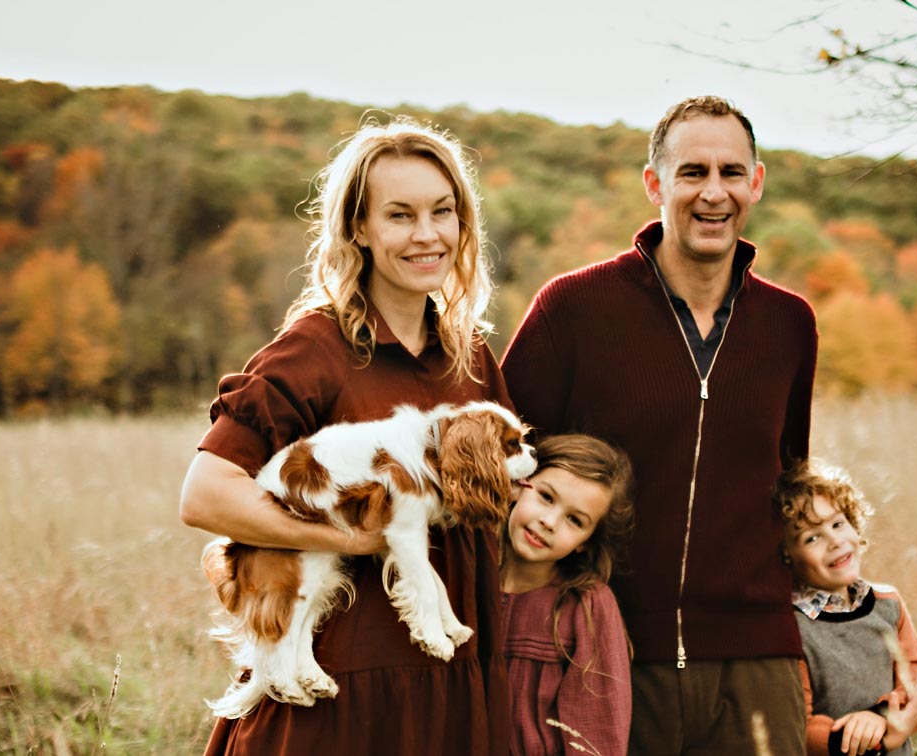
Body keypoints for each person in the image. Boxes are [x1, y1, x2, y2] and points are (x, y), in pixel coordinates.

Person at [179, 119, 511, 755]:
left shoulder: (470, 357)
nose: (427, 234)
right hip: (341, 694)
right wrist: (353, 537)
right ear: (359, 228)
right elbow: (206, 497)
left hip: (456, 685)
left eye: (443, 212)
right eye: (400, 215)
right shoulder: (313, 350)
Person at [504, 95, 818, 755]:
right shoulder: (574, 308)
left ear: (756, 182)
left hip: (757, 659)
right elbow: (504, 464)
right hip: (606, 653)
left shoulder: (789, 325)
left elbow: (790, 477)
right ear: (655, 184)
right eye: (692, 172)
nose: (713, 193)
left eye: (731, 172)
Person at [775, 461, 917, 756]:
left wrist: (882, 717)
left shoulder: (888, 604)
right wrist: (871, 743)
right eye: (812, 538)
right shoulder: (792, 627)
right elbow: (799, 724)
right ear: (787, 555)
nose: (835, 542)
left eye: (838, 524)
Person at [497, 433, 640, 756]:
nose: (549, 522)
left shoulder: (587, 606)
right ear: (519, 484)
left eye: (574, 520)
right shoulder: (461, 580)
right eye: (546, 497)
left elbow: (598, 736)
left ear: (585, 541)